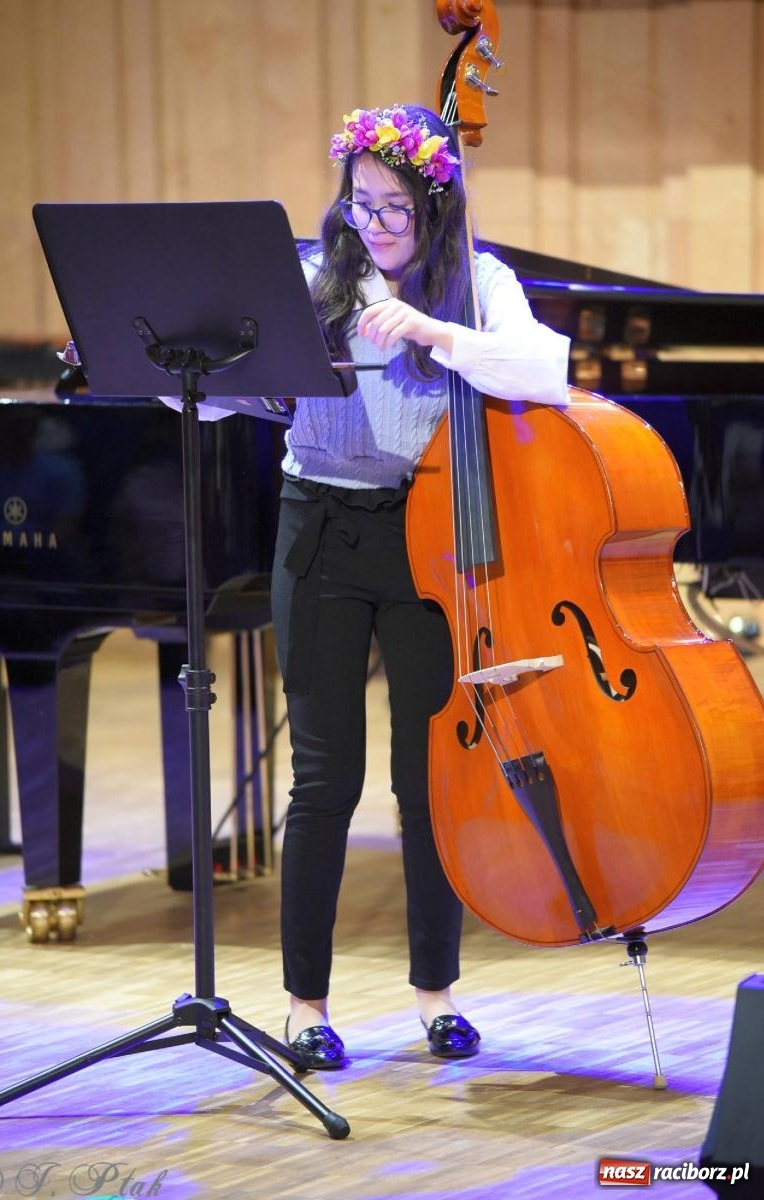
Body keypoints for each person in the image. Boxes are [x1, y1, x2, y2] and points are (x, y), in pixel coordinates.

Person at [270, 104, 571, 1070]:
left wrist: (438, 332)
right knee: (323, 782)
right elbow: (222, 381)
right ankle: (304, 1008)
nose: (375, 225)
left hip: (427, 542)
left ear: (434, 205)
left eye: (395, 207)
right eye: (361, 204)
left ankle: (435, 995)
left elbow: (544, 371)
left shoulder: (476, 281)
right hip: (316, 527)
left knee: (426, 781)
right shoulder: (318, 276)